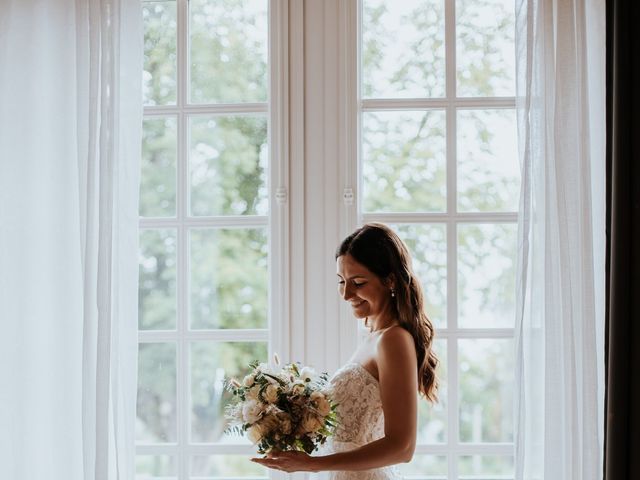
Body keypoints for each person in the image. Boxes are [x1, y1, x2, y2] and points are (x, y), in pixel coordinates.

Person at [252, 223, 439, 479]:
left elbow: (402, 448)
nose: (346, 294)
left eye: (358, 282)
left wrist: (311, 465)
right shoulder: (371, 338)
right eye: (341, 281)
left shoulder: (394, 339)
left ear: (390, 280)